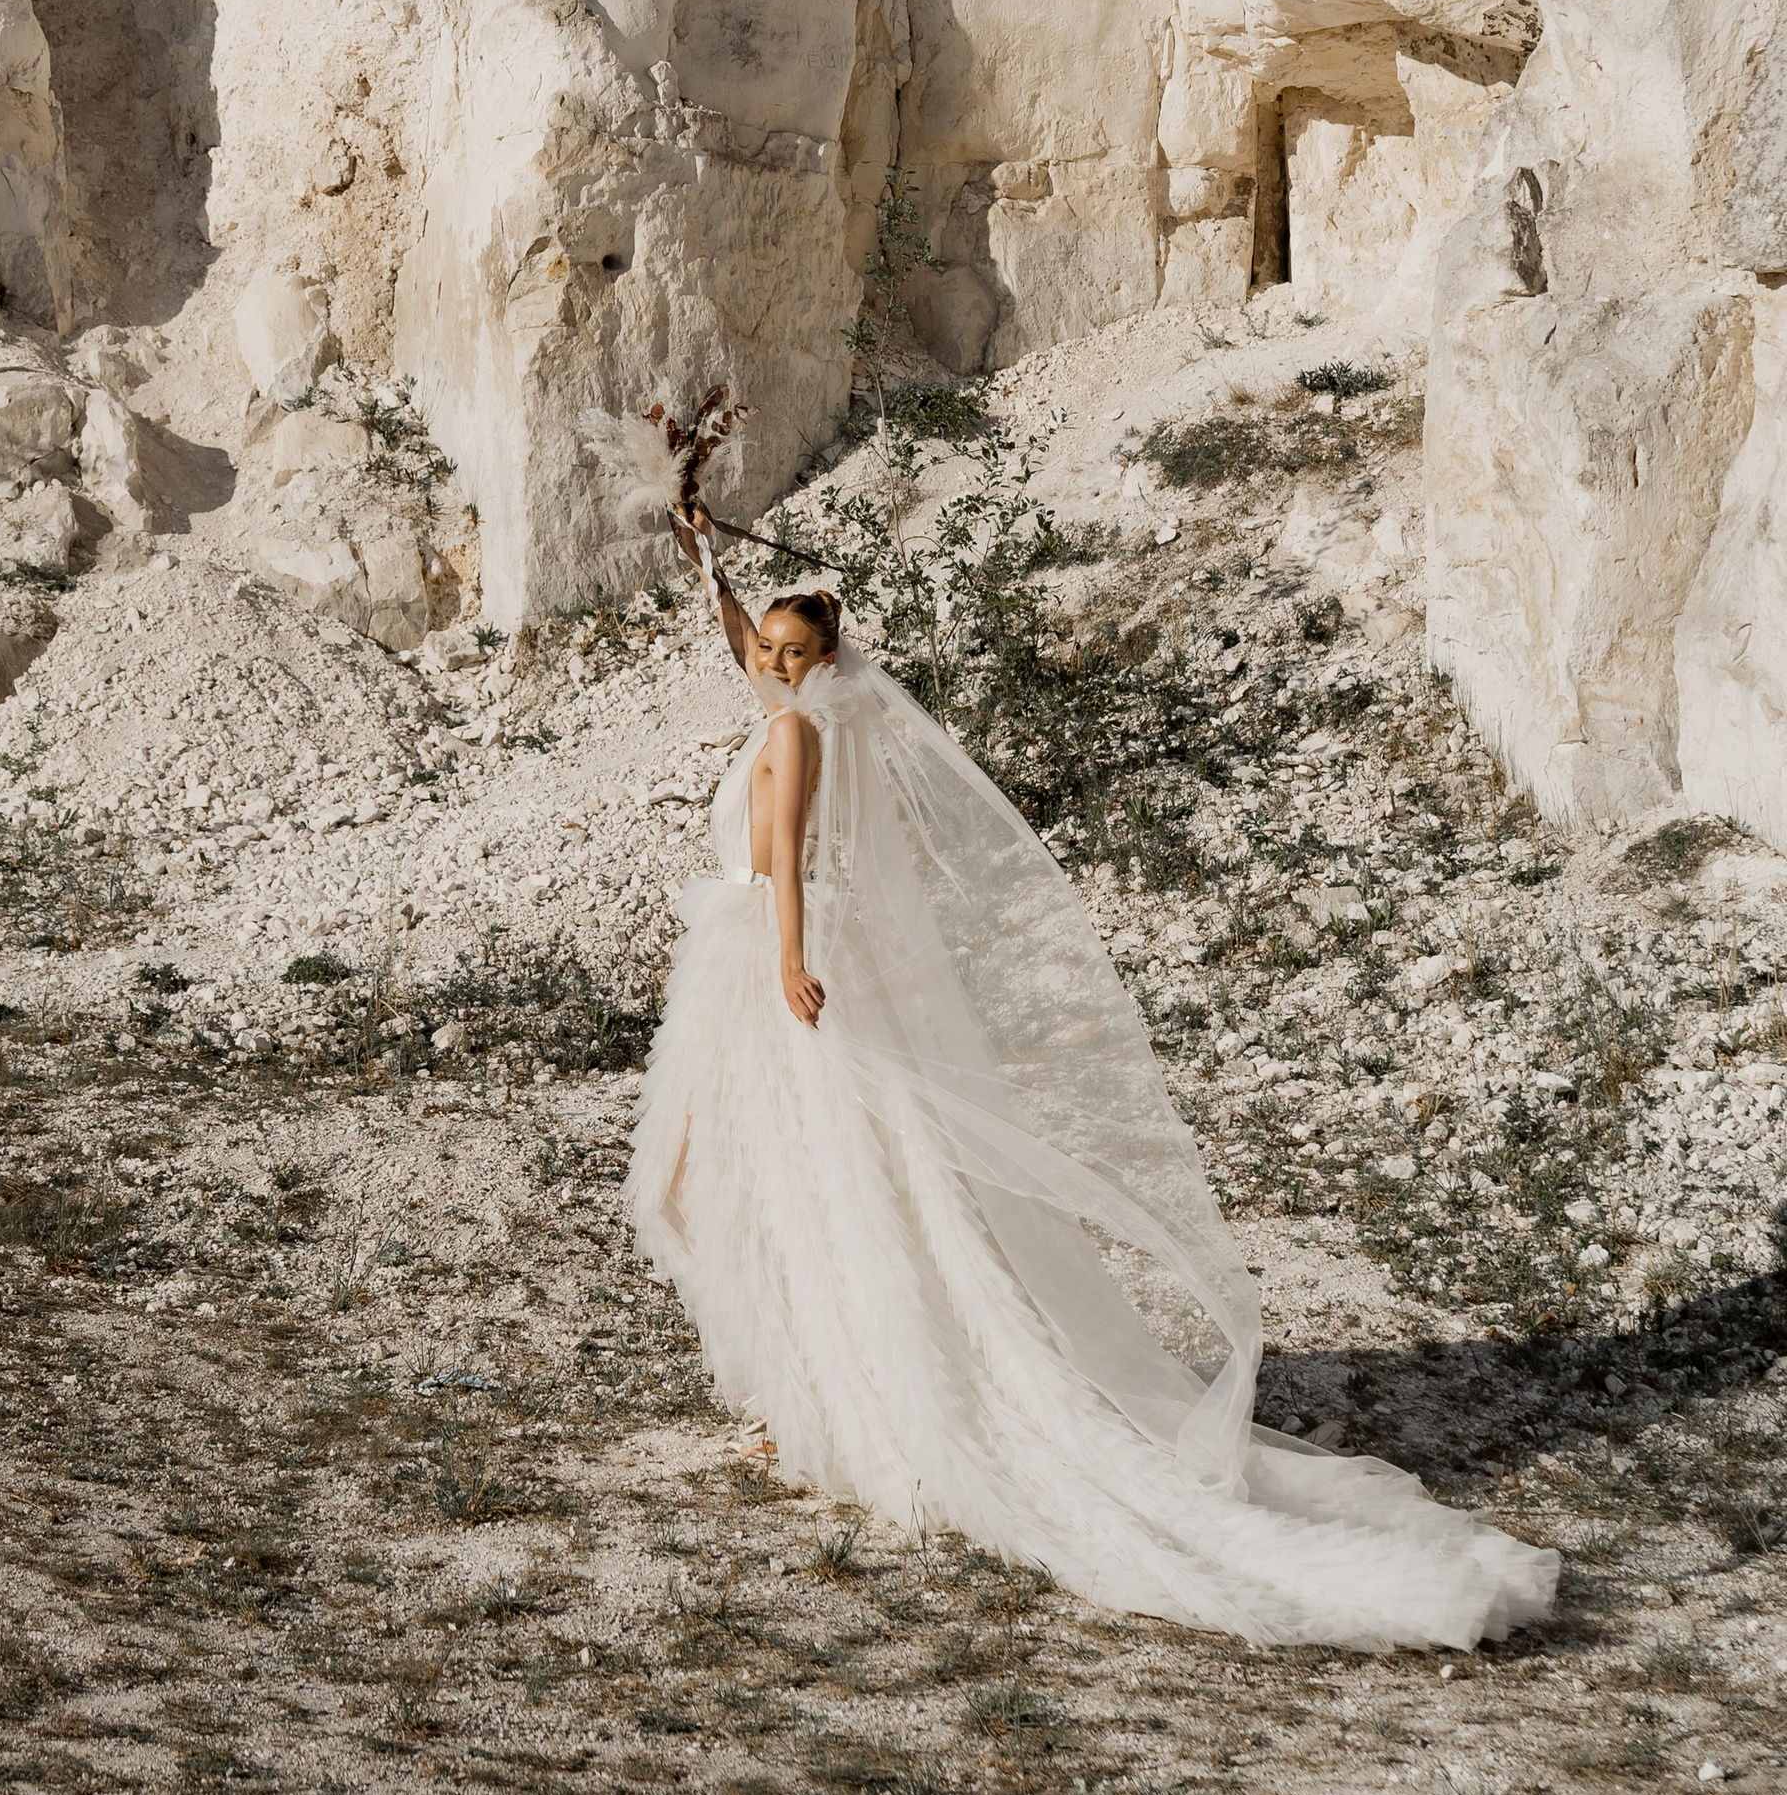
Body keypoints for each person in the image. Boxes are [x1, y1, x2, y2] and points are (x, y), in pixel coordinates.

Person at [622, 503, 1558, 1647]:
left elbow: (791, 865)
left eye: (791, 655)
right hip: (750, 960)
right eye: (764, 651)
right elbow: (736, 643)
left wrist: (787, 963)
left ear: (830, 663)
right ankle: (805, 1390)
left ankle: (830, 1400)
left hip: (770, 962)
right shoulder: (789, 704)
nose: (768, 667)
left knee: (788, 1188)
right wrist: (698, 545)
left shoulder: (799, 737)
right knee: (779, 1184)